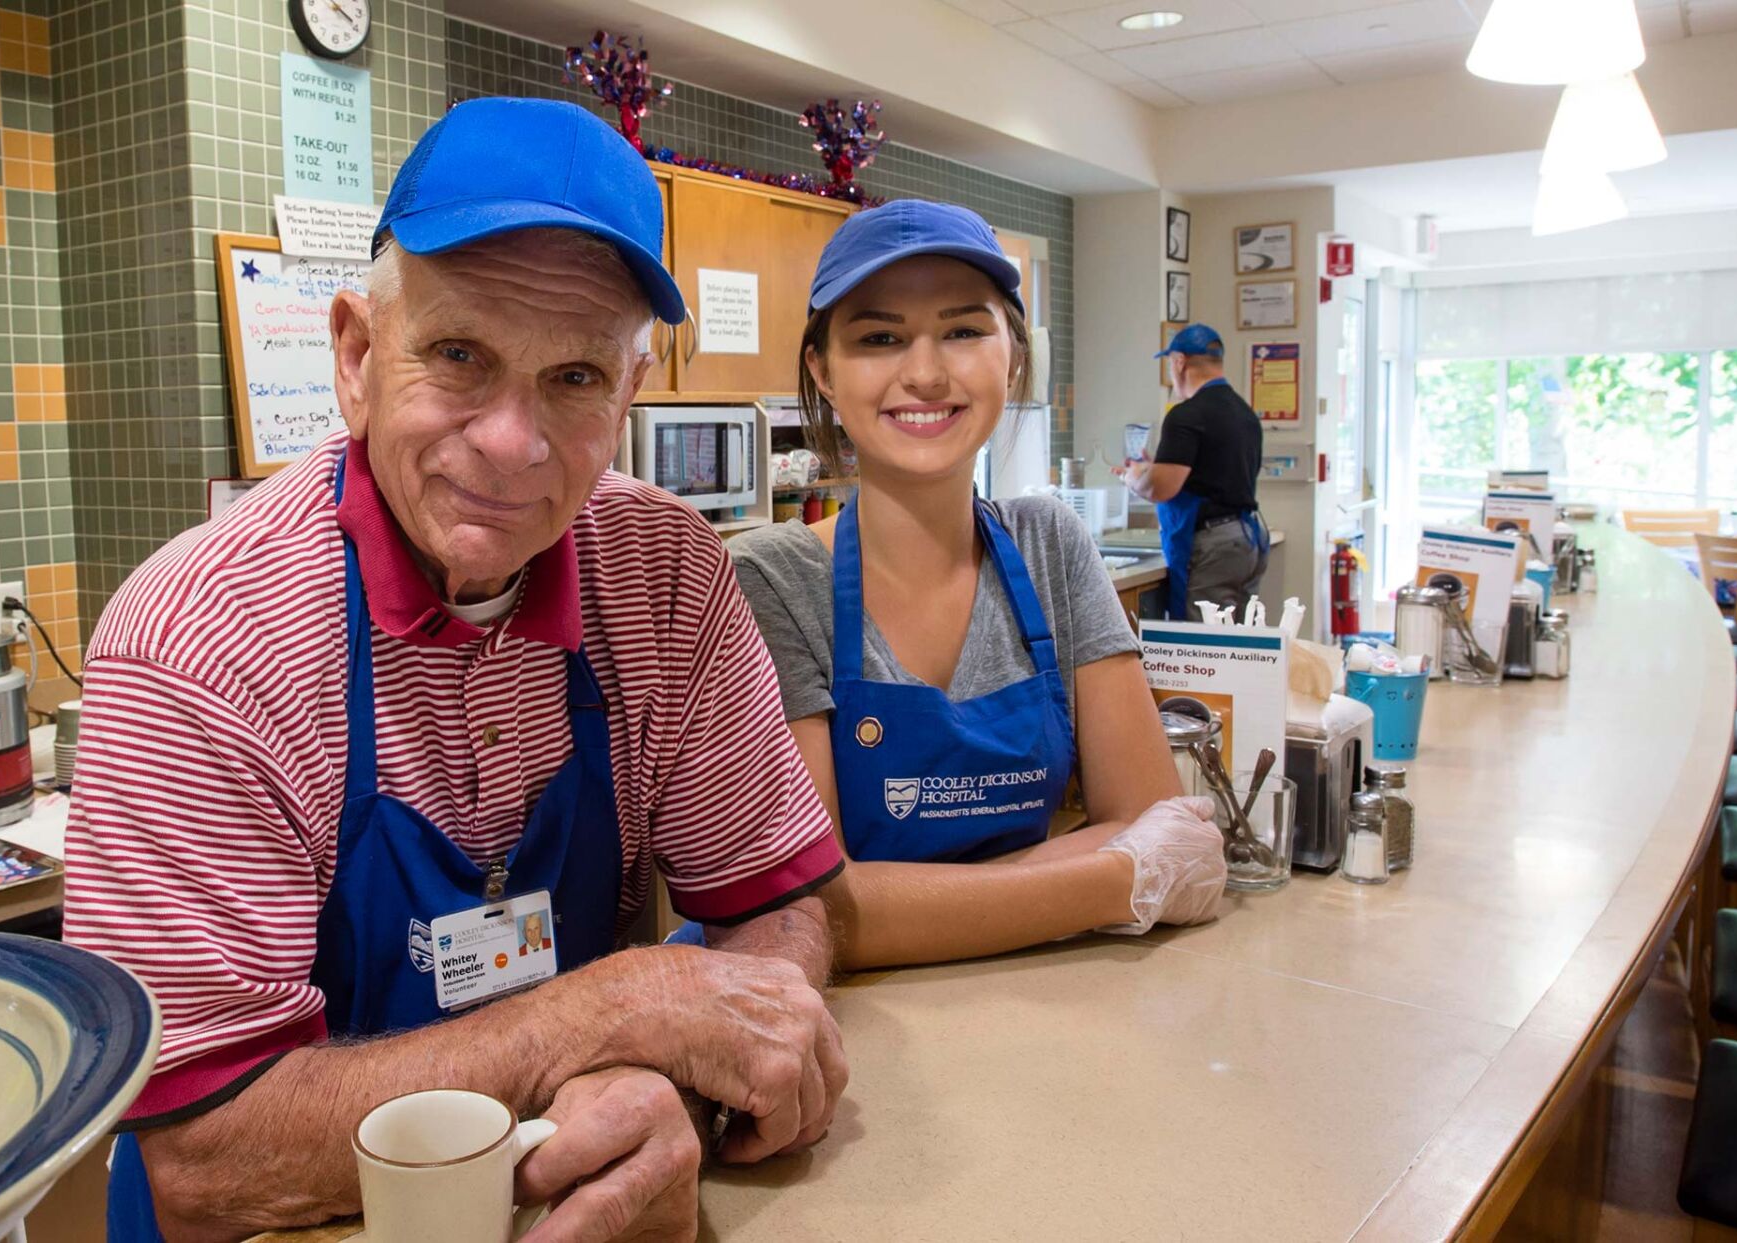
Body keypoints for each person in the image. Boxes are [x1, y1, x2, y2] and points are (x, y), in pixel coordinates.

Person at [70, 98, 849, 1243]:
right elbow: (207, 1149)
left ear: (628, 398)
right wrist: (599, 1017)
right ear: (356, 355)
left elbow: (778, 905)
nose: (510, 440)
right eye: (459, 355)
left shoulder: (666, 574)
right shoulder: (199, 637)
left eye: (575, 376)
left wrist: (672, 1080)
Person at [728, 200, 1228, 970]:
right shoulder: (775, 580)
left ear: (1014, 358)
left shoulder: (1051, 545)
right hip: (859, 1043)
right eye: (879, 337)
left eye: (963, 330)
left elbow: (1153, 817)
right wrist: (1114, 878)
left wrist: (902, 905)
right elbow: (817, 910)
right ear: (823, 371)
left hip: (1048, 1010)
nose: (925, 372)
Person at [1121, 323, 1269, 619]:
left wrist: (1135, 476)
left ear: (1179, 362)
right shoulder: (1243, 412)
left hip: (1213, 546)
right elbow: (1211, 472)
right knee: (1238, 645)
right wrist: (1156, 468)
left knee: (1202, 648)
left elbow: (1161, 488)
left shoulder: (1186, 415)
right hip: (1247, 537)